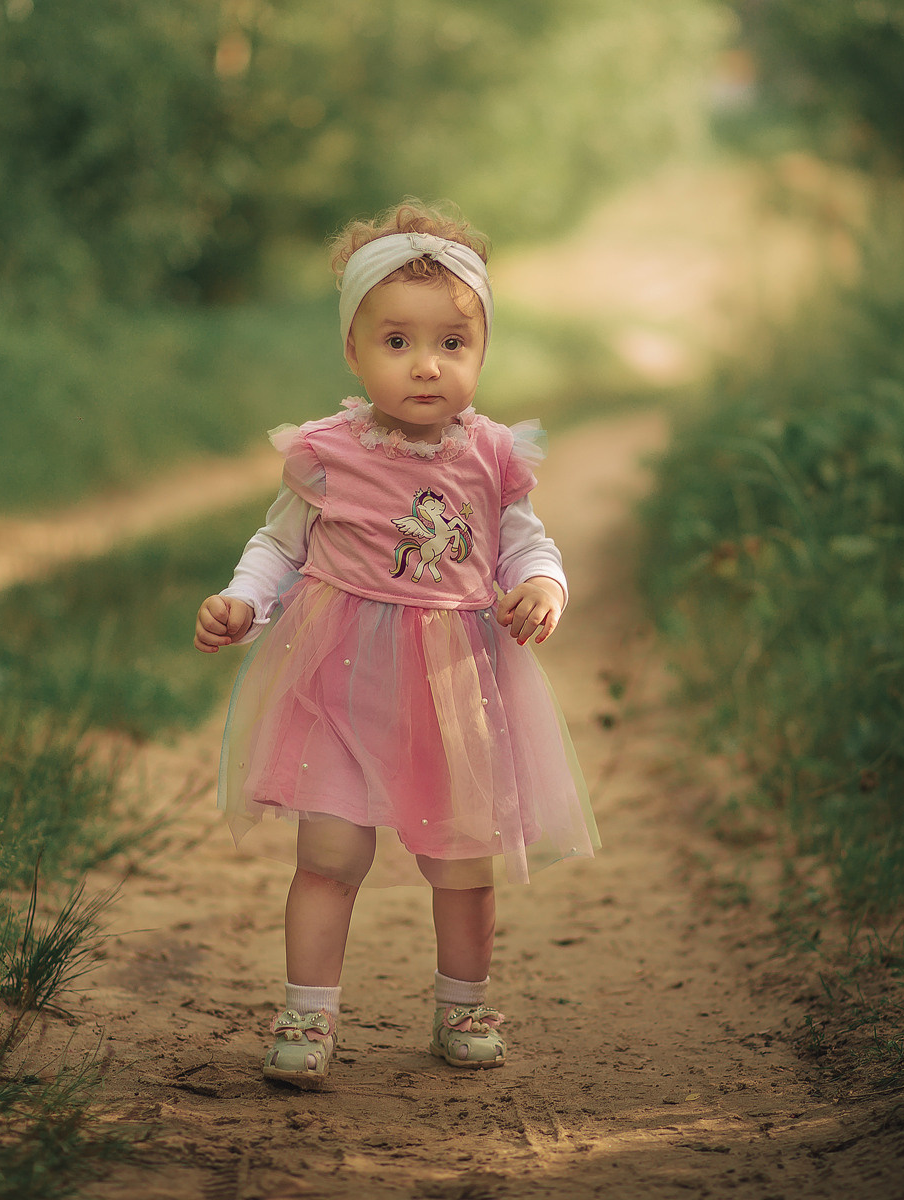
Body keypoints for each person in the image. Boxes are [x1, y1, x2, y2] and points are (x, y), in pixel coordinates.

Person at [193, 200, 597, 1089]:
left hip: (453, 694)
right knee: (329, 857)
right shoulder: (328, 454)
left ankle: (463, 1006)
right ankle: (308, 1012)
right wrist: (242, 601)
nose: (426, 364)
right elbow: (279, 546)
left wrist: (542, 586)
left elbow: (526, 543)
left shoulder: (492, 456)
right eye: (397, 342)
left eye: (453, 343)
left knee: (462, 860)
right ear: (353, 349)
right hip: (337, 687)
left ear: (482, 350)